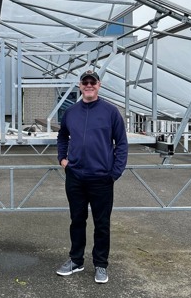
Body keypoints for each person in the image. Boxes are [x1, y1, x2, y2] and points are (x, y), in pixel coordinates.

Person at [55, 70, 128, 284]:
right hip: (75, 176)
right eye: (85, 82)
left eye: (92, 82)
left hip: (101, 178)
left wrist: (114, 172)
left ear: (99, 85)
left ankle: (101, 264)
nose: (89, 85)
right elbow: (62, 136)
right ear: (80, 86)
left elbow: (121, 143)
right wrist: (62, 159)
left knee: (102, 224)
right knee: (77, 220)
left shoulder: (111, 112)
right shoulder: (71, 112)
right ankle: (76, 260)